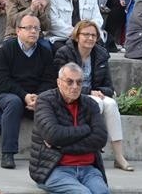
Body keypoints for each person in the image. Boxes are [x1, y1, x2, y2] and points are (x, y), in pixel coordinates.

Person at [55, 20, 132, 171]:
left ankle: (119, 156)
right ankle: (94, 146)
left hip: (96, 95)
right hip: (70, 95)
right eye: (86, 34)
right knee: (98, 102)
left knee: (110, 103)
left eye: (93, 35)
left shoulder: (101, 54)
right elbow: (61, 84)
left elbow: (109, 87)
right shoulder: (64, 53)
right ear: (77, 36)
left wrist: (101, 92)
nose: (90, 38)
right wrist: (89, 92)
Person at [28, 62, 109, 193]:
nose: (75, 87)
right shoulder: (45, 101)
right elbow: (53, 135)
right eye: (69, 82)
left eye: (79, 82)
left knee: (102, 192)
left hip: (89, 169)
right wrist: (86, 129)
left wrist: (61, 146)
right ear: (59, 82)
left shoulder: (91, 104)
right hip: (55, 169)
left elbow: (100, 139)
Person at [0, 13, 55, 169]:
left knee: (52, 103)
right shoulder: (6, 50)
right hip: (10, 94)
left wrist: (38, 97)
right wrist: (24, 96)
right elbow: (3, 82)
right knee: (14, 103)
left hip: (35, 96)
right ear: (18, 30)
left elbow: (49, 80)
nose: (33, 31)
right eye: (28, 28)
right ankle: (8, 153)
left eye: (36, 28)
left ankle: (50, 154)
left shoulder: (45, 52)